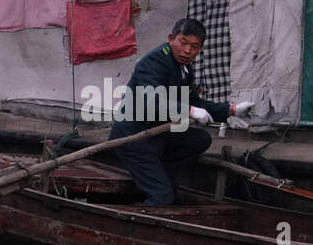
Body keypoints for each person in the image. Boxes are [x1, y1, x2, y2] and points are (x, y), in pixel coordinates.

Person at [108, 18, 253, 205]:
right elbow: (151, 101)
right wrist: (190, 111)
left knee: (200, 139)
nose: (187, 51)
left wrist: (232, 110)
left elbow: (194, 101)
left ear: (200, 49)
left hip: (158, 134)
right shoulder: (154, 61)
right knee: (163, 198)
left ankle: (161, 171)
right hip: (134, 138)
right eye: (183, 43)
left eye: (194, 46)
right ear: (171, 39)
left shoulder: (184, 68)